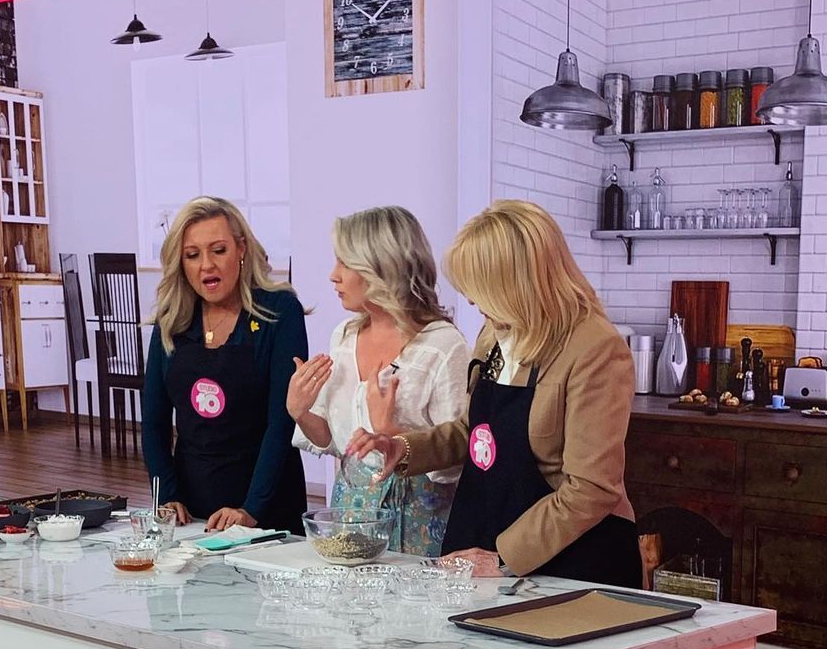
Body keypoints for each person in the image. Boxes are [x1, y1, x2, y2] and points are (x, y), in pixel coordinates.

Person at [347, 199, 642, 587]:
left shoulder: (595, 349)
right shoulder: (495, 334)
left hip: (573, 563)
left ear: (516, 284)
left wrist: (505, 557)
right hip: (491, 542)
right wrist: (403, 448)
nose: (471, 301)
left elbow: (591, 490)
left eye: (479, 288)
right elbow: (476, 432)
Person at [286, 206, 471, 557]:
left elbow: (456, 462)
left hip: (420, 522)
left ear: (382, 266)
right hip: (350, 516)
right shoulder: (344, 336)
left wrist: (392, 433)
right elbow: (331, 440)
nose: (333, 275)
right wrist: (300, 411)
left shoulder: (443, 346)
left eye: (345, 263)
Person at [142, 196, 308, 533]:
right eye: (192, 255)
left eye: (218, 250)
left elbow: (281, 422)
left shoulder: (280, 311)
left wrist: (251, 509)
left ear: (241, 249)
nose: (207, 265)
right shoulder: (171, 320)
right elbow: (154, 421)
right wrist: (167, 496)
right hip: (191, 514)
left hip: (266, 508)